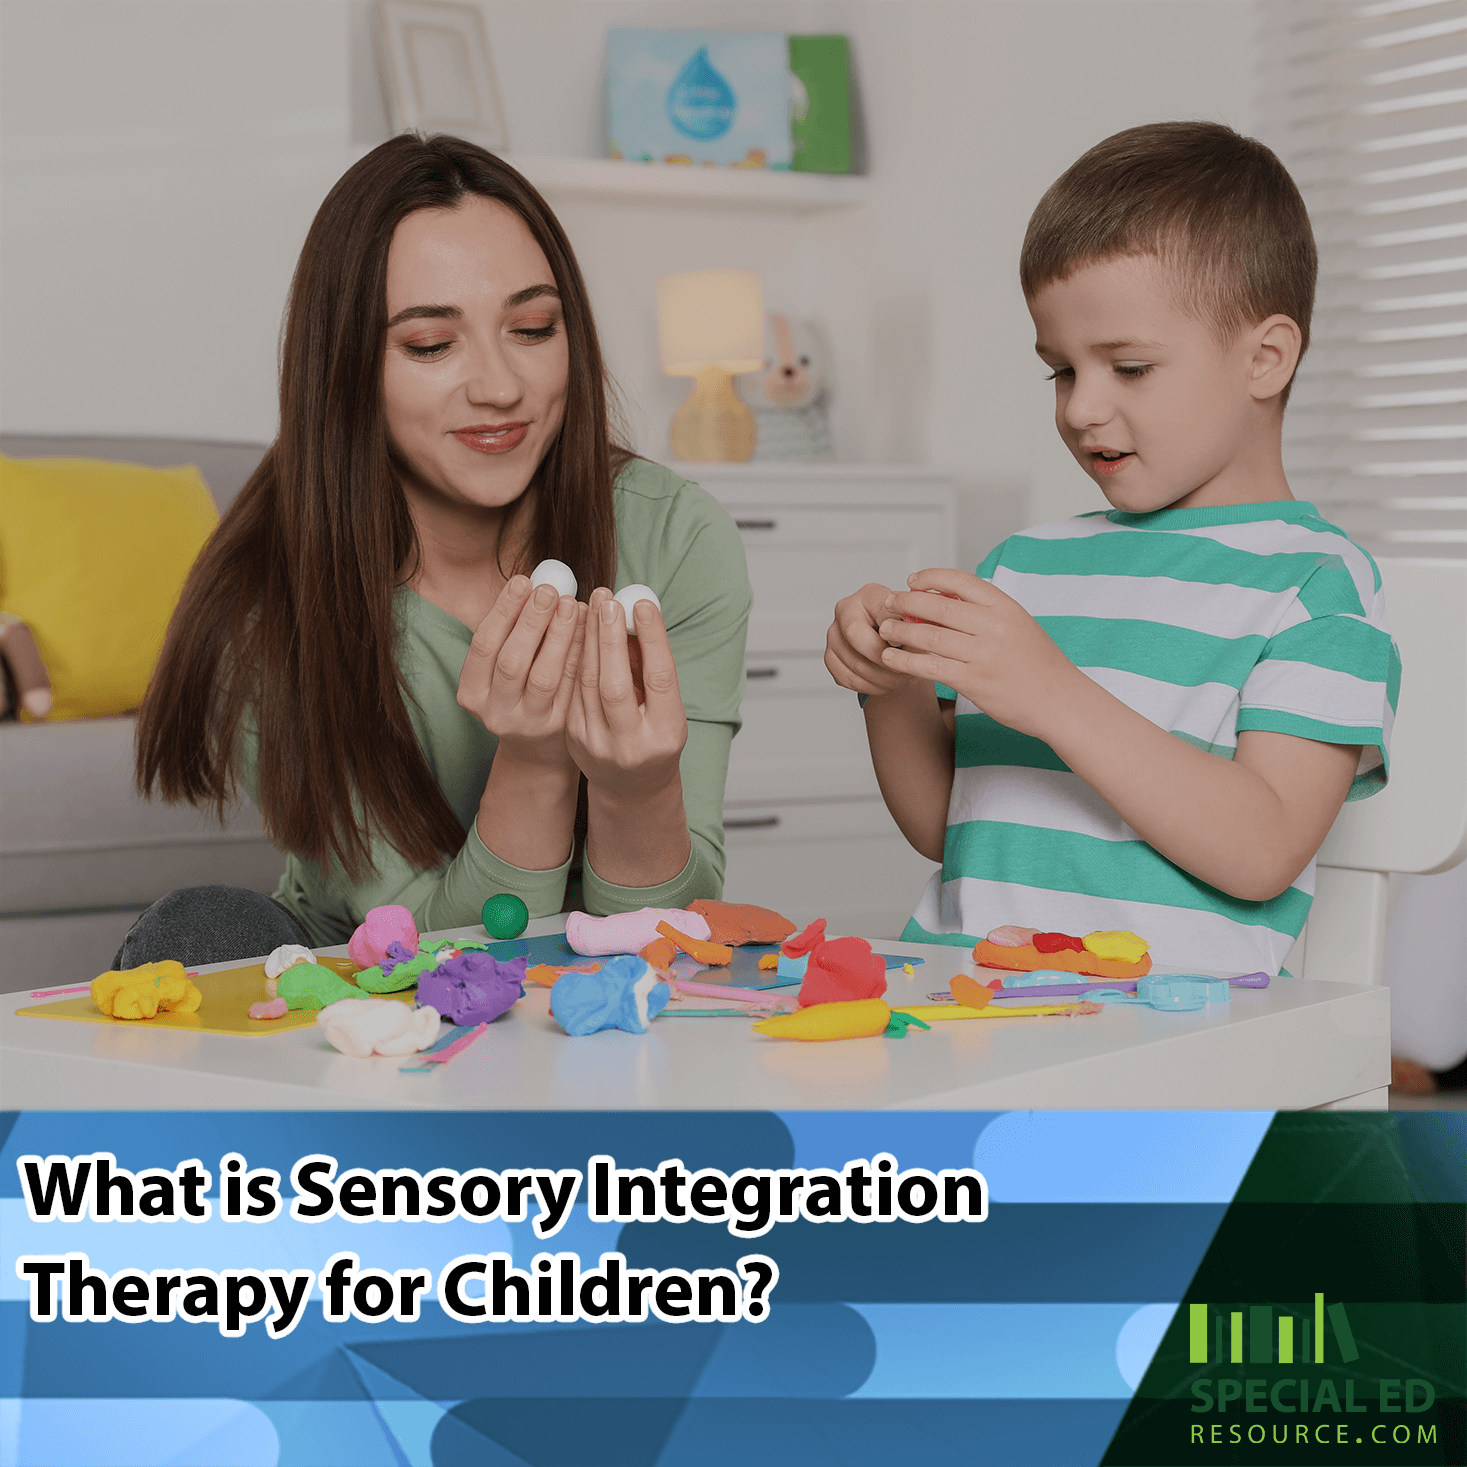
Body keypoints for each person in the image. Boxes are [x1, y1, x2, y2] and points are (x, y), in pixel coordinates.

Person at [122, 134, 750, 968]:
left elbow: (664, 938)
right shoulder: (267, 599)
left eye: (532, 327)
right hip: (362, 975)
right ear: (346, 366)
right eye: (429, 344)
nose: (499, 385)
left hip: (604, 984)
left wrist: (637, 786)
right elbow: (442, 960)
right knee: (196, 931)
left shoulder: (673, 537)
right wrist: (534, 758)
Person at [826, 122, 1398, 976]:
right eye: (1059, 369)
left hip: (1163, 1033)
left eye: (1127, 368)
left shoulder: (1313, 585)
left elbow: (1262, 847)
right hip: (965, 1004)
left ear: (1266, 359)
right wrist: (891, 690)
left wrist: (1050, 692)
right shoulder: (1022, 566)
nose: (1080, 408)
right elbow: (943, 821)